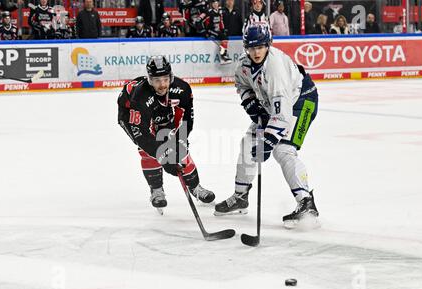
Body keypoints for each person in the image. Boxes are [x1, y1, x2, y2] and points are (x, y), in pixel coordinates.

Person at [214, 24, 320, 229]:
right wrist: (254, 109)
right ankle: (240, 196)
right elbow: (242, 84)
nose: (256, 52)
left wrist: (268, 142)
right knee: (248, 143)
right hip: (273, 105)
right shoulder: (244, 65)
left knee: (283, 150)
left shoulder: (275, 67)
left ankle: (306, 202)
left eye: (260, 47)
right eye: (252, 48)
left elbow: (283, 114)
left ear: (268, 45)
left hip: (301, 102)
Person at [118, 56, 215, 212]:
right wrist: (165, 159)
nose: (162, 84)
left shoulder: (182, 89)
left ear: (171, 76)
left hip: (161, 112)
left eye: (165, 79)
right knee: (148, 151)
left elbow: (186, 120)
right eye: (157, 80)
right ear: (150, 80)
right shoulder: (140, 96)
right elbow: (142, 135)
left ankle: (196, 187)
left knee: (180, 151)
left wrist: (179, 143)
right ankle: (156, 191)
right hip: (131, 116)